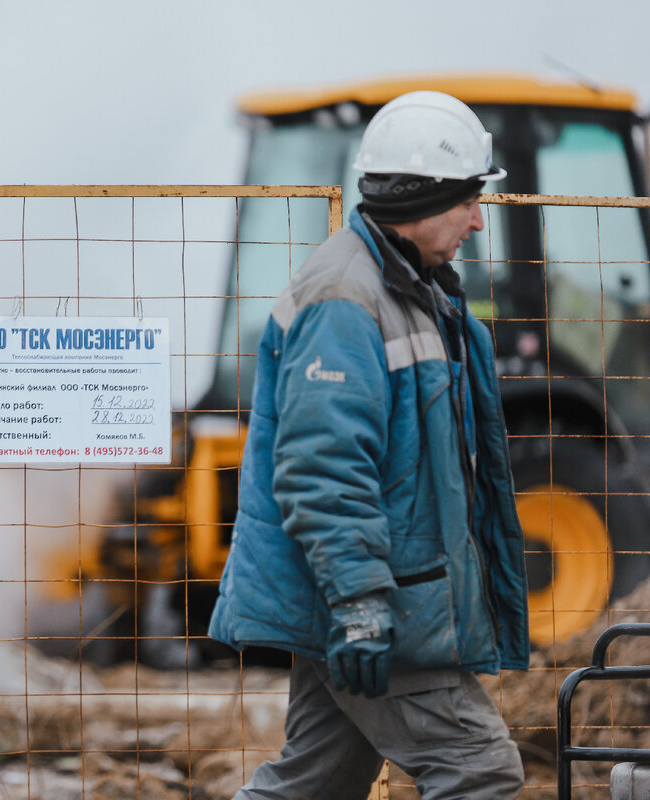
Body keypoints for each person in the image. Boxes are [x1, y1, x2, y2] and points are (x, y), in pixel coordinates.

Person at [208, 91, 530, 799]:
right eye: (469, 199)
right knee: (481, 773)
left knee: (317, 781)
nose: (479, 219)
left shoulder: (410, 289)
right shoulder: (346, 298)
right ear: (426, 194)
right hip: (375, 597)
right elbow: (322, 470)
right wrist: (361, 603)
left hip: (384, 591)